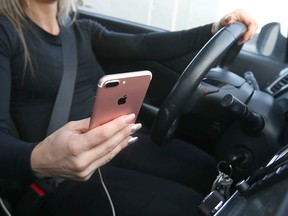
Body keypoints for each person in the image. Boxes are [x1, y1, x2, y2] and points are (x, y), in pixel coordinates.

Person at [0, 0, 257, 215]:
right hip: (63, 176)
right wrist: (40, 160)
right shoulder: (6, 33)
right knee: (188, 206)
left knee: (210, 172)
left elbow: (145, 44)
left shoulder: (80, 31)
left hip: (116, 144)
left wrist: (214, 28)